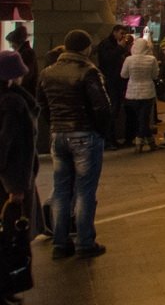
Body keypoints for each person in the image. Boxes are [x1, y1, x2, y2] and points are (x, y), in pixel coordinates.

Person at [37, 29, 111, 259]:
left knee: (61, 189)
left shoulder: (47, 72)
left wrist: (56, 125)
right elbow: (101, 106)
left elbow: (43, 105)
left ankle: (60, 243)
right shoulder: (88, 71)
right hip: (84, 135)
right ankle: (85, 242)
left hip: (58, 135)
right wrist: (100, 131)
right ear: (85, 48)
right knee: (85, 190)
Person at [0, 49, 37, 301]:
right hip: (10, 181)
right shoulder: (11, 104)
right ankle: (6, 283)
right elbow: (6, 146)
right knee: (9, 234)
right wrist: (14, 186)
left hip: (13, 178)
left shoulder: (13, 98)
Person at [119, 37, 159, 152]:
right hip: (148, 92)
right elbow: (155, 75)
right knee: (144, 118)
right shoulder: (152, 59)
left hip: (132, 93)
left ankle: (147, 143)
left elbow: (123, 75)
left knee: (140, 118)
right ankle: (141, 141)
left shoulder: (128, 60)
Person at [95, 25, 129, 148]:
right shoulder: (107, 44)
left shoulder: (116, 45)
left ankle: (111, 138)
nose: (123, 36)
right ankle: (109, 139)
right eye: (121, 33)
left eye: (124, 34)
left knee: (115, 109)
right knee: (112, 110)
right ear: (114, 32)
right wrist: (120, 48)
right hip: (111, 81)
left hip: (117, 81)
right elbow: (107, 59)